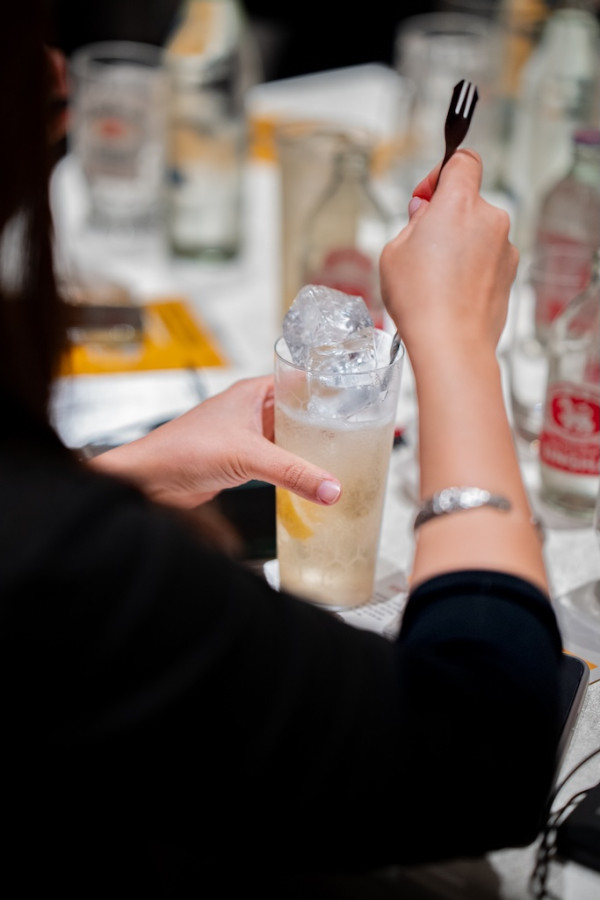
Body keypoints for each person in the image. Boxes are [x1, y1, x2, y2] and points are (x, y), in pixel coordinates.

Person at [3, 2, 564, 898]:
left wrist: (119, 476)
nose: (60, 71)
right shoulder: (69, 574)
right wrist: (457, 346)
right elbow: (479, 751)